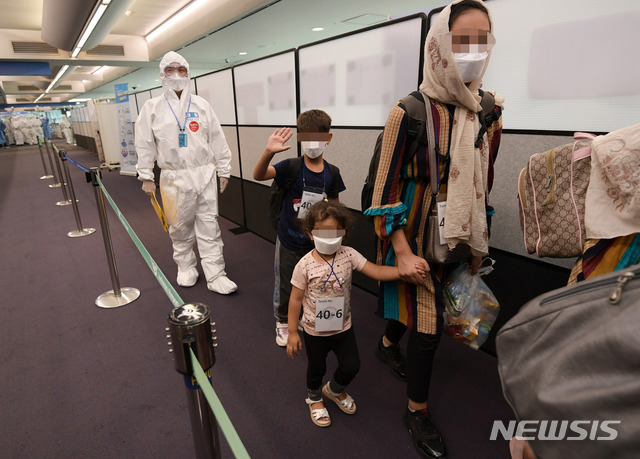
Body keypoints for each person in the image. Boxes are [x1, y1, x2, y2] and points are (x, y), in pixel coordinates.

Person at [363, 1, 504, 457]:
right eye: (464, 40)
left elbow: (485, 180)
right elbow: (381, 192)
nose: (474, 51)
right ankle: (416, 410)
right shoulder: (409, 112)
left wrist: (480, 240)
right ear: (440, 44)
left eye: (483, 39)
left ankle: (386, 343)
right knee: (429, 325)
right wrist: (401, 252)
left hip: (461, 238)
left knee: (425, 314)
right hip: (416, 239)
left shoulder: (489, 110)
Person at [286, 200, 425, 427]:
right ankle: (314, 398)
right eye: (322, 232)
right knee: (316, 368)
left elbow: (376, 271)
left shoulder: (348, 255)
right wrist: (292, 331)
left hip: (343, 326)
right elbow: (295, 299)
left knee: (352, 365)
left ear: (344, 233)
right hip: (314, 330)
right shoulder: (304, 265)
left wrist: (402, 271)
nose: (329, 238)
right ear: (310, 234)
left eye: (335, 233)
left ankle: (333, 390)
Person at [135, 51, 237, 294]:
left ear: (189, 73)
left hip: (204, 173)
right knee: (179, 226)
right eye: (171, 70)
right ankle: (186, 266)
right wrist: (146, 175)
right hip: (173, 176)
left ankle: (215, 274)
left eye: (182, 70)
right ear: (162, 74)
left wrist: (224, 169)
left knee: (209, 224)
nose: (177, 75)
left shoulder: (202, 105)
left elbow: (217, 138)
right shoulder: (152, 107)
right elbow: (144, 143)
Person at [253, 110, 345, 346]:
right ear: (300, 138)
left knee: (311, 281)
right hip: (288, 238)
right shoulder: (290, 167)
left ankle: (303, 315)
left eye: (319, 137)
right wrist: (268, 152)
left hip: (314, 243)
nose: (313, 143)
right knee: (285, 281)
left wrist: (334, 237)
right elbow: (259, 174)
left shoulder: (332, 173)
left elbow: (335, 209)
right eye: (308, 137)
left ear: (329, 138)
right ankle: (282, 320)